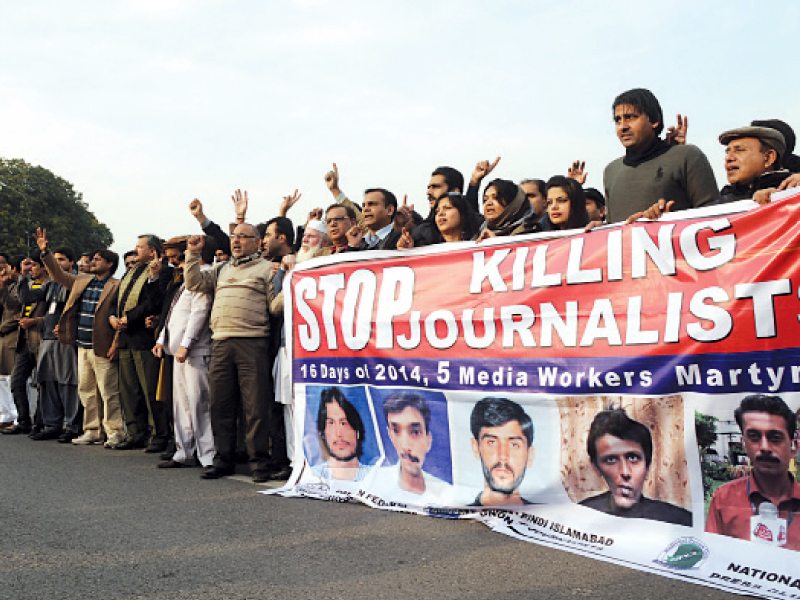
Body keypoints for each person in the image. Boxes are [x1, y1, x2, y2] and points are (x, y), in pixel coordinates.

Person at [184, 224, 277, 483]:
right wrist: (192, 255)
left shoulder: (266, 269)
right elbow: (193, 283)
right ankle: (223, 458)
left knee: (255, 405)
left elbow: (275, 307)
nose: (236, 241)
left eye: (243, 237)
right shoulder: (222, 268)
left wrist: (288, 279)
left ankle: (259, 462)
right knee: (220, 404)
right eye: (234, 237)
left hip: (253, 342)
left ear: (257, 242)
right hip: (221, 342)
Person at [36, 232, 125, 447]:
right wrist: (45, 252)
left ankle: (114, 433)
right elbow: (57, 275)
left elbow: (120, 316)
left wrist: (116, 344)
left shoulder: (117, 285)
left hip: (102, 346)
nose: (93, 262)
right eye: (92, 259)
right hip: (82, 345)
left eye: (97, 259)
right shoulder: (82, 280)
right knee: (86, 391)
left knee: (108, 392)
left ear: (110, 264)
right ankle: (92, 431)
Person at [603, 88, 718, 223]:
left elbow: (714, 216)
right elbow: (613, 228)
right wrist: (597, 229)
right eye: (617, 120)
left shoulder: (687, 157)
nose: (623, 126)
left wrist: (669, 221)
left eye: (631, 117)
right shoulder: (611, 171)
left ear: (654, 120)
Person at [706, 395, 800, 550]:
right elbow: (713, 560)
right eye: (754, 437)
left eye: (775, 438)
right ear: (744, 444)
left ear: (794, 446)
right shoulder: (723, 498)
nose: (764, 447)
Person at [153, 238, 215, 471]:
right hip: (177, 351)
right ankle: (184, 451)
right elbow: (173, 313)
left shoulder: (204, 275)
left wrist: (187, 344)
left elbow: (200, 312)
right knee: (181, 404)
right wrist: (162, 340)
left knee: (200, 402)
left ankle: (207, 454)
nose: (180, 260)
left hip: (196, 350)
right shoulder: (188, 279)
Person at [109, 234, 172, 452]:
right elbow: (117, 300)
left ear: (153, 250)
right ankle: (136, 432)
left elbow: (154, 302)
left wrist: (130, 318)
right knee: (129, 390)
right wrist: (112, 318)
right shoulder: (131, 271)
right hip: (125, 337)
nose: (136, 250)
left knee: (150, 389)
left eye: (140, 247)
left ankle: (159, 434)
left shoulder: (162, 271)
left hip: (144, 337)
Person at [580, 408, 692, 526]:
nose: (625, 472)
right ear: (596, 467)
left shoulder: (680, 521)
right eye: (611, 460)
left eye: (633, 458)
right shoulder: (579, 517)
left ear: (647, 465)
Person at [17, 244, 81, 442]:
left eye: (62, 259)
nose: (58, 263)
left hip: (66, 340)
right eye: (56, 259)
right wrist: (23, 276)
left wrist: (68, 327)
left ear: (72, 262)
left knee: (68, 384)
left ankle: (71, 426)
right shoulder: (51, 284)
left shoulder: (78, 281)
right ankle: (52, 424)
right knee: (47, 383)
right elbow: (27, 297)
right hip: (47, 339)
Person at [1, 255, 49, 436]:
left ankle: (40, 422)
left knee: (42, 384)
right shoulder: (27, 285)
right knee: (16, 381)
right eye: (28, 266)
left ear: (45, 267)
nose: (31, 269)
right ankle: (23, 421)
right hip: (23, 340)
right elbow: (15, 304)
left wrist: (34, 321)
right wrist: (3, 287)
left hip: (40, 339)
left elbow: (56, 317)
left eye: (34, 265)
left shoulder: (51, 285)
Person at [372, 392, 449, 502]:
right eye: (396, 431)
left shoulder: (445, 494)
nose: (405, 446)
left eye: (415, 432)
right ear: (390, 435)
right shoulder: (376, 483)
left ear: (428, 441)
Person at [469, 397, 535, 507]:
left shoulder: (549, 517)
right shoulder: (457, 518)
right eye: (492, 442)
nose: (503, 456)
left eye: (514, 445)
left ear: (530, 455)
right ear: (476, 448)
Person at [311, 386, 371, 482]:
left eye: (344, 423)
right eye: (331, 423)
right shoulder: (312, 476)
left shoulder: (373, 477)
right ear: (323, 432)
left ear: (358, 430)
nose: (339, 433)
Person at [396, 194, 483, 249]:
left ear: (463, 215)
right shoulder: (427, 250)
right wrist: (408, 252)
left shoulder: (480, 244)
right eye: (437, 211)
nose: (440, 213)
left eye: (448, 208)